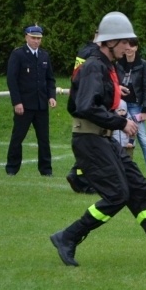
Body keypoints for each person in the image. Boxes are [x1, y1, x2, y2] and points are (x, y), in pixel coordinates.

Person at [49, 12, 146, 267]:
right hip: (90, 139)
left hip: (103, 138)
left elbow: (94, 98)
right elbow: (85, 106)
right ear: (110, 42)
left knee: (140, 188)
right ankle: (68, 236)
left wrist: (116, 97)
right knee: (117, 194)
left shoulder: (106, 65)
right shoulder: (94, 65)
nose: (129, 47)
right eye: (124, 42)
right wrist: (121, 121)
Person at [5, 24, 57, 176]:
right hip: (24, 105)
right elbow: (12, 80)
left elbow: (50, 79)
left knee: (44, 140)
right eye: (33, 38)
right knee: (17, 137)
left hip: (41, 105)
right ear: (26, 37)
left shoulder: (44, 55)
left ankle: (46, 170)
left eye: (39, 38)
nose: (36, 41)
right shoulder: (18, 55)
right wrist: (17, 102)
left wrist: (51, 96)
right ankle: (12, 168)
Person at [117, 38, 146, 180]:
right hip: (121, 105)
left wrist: (145, 108)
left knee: (143, 139)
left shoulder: (143, 65)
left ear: (136, 48)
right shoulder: (119, 64)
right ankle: (119, 170)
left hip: (136, 105)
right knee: (119, 138)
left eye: (130, 49)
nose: (127, 51)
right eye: (125, 49)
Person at [66, 33, 100, 194]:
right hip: (87, 101)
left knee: (90, 144)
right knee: (92, 144)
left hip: (79, 99)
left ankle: (79, 175)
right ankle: (82, 178)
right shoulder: (94, 54)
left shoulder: (84, 50)